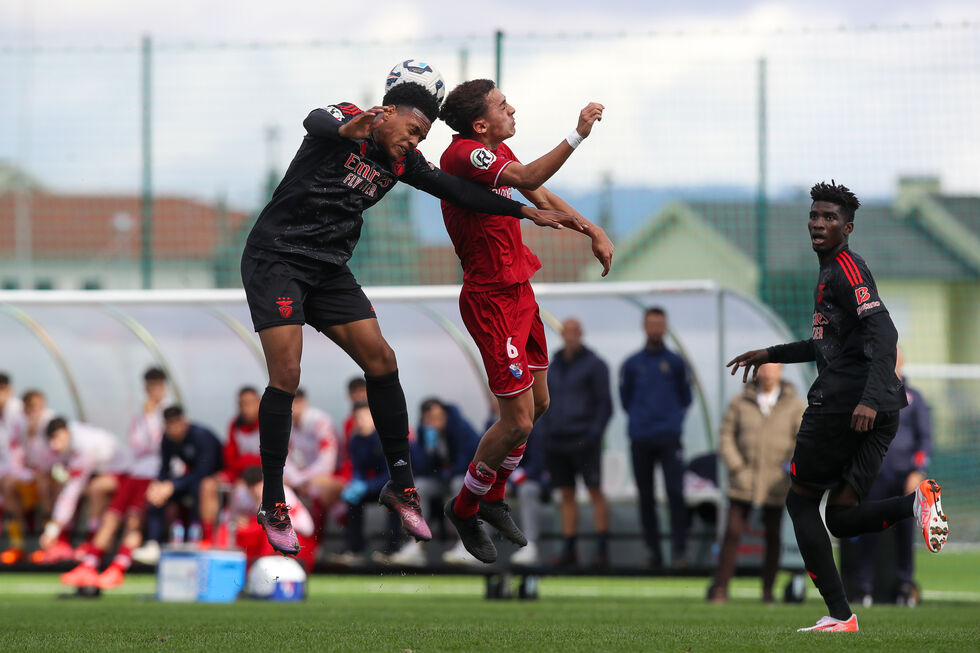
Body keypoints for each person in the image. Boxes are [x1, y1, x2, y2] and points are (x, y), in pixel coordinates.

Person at [241, 79, 575, 556]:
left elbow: (459, 191)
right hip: (277, 260)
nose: (414, 141)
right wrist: (349, 129)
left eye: (422, 136)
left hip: (329, 269)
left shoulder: (403, 161)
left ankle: (402, 487)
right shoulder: (349, 120)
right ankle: (274, 502)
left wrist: (523, 211)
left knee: (382, 361)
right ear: (387, 113)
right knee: (287, 372)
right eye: (413, 130)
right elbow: (315, 120)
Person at [726, 180, 948, 633]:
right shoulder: (831, 270)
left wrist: (866, 399)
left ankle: (841, 615)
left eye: (829, 217)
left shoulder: (846, 267)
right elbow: (828, 344)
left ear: (847, 228)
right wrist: (770, 353)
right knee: (841, 518)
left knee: (800, 500)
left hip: (845, 405)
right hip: (882, 410)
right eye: (814, 215)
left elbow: (884, 333)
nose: (818, 223)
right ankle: (916, 505)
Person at [437, 79, 614, 564]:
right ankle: (464, 506)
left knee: (539, 405)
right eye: (502, 105)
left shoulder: (496, 151)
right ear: (479, 124)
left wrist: (592, 230)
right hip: (491, 301)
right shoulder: (465, 155)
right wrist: (577, 134)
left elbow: (538, 191)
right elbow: (530, 175)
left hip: (520, 292)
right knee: (515, 420)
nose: (511, 109)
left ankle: (493, 496)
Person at [61, 368, 169, 587]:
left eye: (157, 386)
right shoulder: (140, 414)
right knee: (111, 516)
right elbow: (136, 446)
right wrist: (146, 419)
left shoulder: (168, 413)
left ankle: (118, 567)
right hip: (135, 472)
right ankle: (90, 564)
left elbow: (158, 445)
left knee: (133, 520)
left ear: (164, 387)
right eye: (150, 386)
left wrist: (150, 419)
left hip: (153, 474)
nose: (153, 391)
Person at [709, 363, 804, 603]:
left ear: (780, 371)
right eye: (764, 369)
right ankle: (720, 588)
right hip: (744, 480)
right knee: (732, 532)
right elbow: (726, 435)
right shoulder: (740, 401)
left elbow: (802, 439)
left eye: (773, 369)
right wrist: (737, 467)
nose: (768, 373)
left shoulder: (794, 405)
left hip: (776, 482)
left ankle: (768, 591)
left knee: (773, 535)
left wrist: (789, 467)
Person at [854, 347, 933, 607]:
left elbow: (925, 440)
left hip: (904, 477)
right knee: (868, 530)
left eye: (895, 355)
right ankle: (864, 587)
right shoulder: (868, 394)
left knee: (905, 534)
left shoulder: (914, 398)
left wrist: (917, 471)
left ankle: (905, 586)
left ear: (902, 361)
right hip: (875, 475)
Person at [535, 317, 613, 568]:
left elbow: (605, 404)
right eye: (566, 331)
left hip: (584, 439)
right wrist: (544, 431)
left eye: (574, 331)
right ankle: (569, 549)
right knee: (566, 493)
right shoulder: (553, 365)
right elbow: (542, 400)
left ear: (581, 333)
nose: (570, 336)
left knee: (594, 490)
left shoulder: (595, 365)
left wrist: (593, 435)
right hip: (557, 439)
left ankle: (602, 549)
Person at [620, 307, 693, 569]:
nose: (655, 329)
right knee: (646, 496)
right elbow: (625, 400)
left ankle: (679, 551)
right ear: (644, 326)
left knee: (675, 493)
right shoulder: (632, 364)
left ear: (665, 327)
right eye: (651, 324)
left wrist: (671, 422)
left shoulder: (676, 363)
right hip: (640, 437)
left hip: (669, 437)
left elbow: (686, 397)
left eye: (659, 324)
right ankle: (653, 553)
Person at [389, 398, 480, 566]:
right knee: (419, 487)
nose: (435, 421)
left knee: (459, 483)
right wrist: (429, 450)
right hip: (444, 480)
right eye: (430, 418)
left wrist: (447, 473)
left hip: (466, 478)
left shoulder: (460, 427)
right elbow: (422, 468)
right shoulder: (425, 432)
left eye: (438, 416)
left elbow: (467, 462)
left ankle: (469, 544)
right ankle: (417, 545)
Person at [39, 418, 130, 560]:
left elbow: (72, 490)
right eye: (51, 439)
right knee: (64, 486)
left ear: (66, 432)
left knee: (95, 489)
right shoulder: (69, 441)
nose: (54, 445)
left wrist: (52, 530)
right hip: (101, 472)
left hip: (125, 473)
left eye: (57, 438)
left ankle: (92, 542)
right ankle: (63, 542)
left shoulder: (84, 446)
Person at [143, 406, 224, 552]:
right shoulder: (167, 439)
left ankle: (198, 538)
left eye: (177, 423)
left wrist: (173, 485)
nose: (174, 429)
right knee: (156, 496)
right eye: (170, 425)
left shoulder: (201, 436)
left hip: (216, 477)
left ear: (184, 422)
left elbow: (204, 471)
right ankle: (153, 543)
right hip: (191, 478)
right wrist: (158, 485)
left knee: (200, 488)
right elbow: (164, 469)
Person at [331, 403, 402, 566]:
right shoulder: (355, 440)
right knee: (353, 501)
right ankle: (354, 549)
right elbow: (358, 468)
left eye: (365, 417)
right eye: (357, 418)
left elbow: (392, 472)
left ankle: (394, 549)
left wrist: (367, 486)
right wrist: (357, 483)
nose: (361, 421)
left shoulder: (385, 438)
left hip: (392, 484)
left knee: (394, 498)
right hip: (374, 485)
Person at [284, 389, 345, 538]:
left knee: (320, 488)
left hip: (335, 472)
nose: (293, 409)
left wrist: (302, 479)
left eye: (296, 403)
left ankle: (321, 536)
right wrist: (298, 480)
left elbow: (327, 462)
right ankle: (303, 536)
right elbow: (285, 459)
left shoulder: (321, 422)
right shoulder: (286, 424)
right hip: (305, 476)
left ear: (304, 403)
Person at [222, 386, 262, 484]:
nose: (245, 409)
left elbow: (272, 459)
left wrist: (244, 459)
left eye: (249, 403)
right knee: (209, 484)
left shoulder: (269, 423)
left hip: (265, 473)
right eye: (242, 404)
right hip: (240, 473)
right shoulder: (235, 425)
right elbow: (230, 459)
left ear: (259, 402)